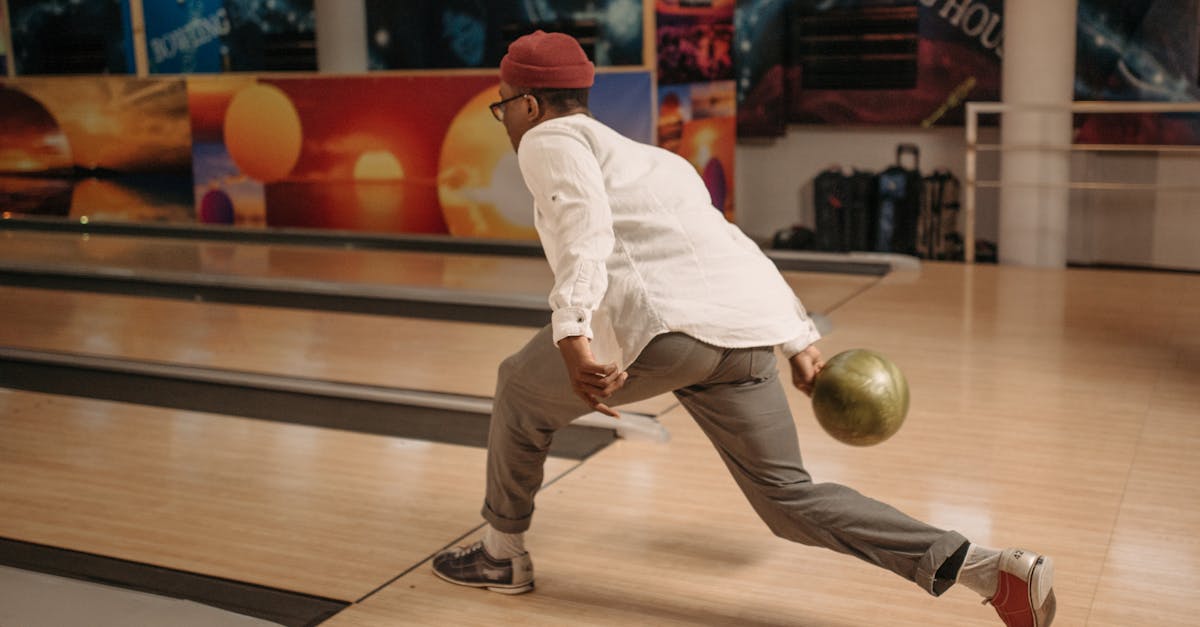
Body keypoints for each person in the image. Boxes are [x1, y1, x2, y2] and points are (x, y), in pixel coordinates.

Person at [432, 30, 1055, 627]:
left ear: (529, 103)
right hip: (743, 340)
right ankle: (988, 569)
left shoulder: (549, 139)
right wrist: (797, 337)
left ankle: (501, 555)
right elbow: (734, 245)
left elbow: (582, 230)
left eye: (502, 106)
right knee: (788, 498)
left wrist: (572, 335)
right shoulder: (658, 163)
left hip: (666, 331)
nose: (505, 120)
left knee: (519, 387)